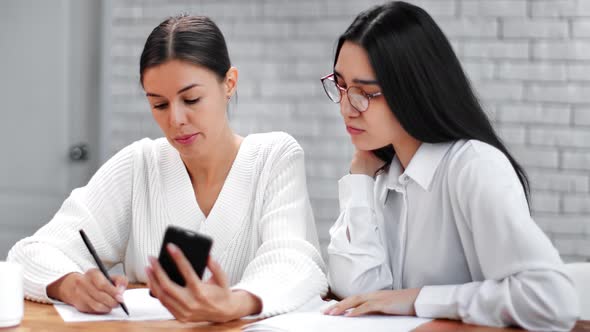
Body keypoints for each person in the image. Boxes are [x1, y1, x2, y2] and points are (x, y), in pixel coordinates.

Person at [8, 14, 327, 322]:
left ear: (229, 83)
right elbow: (30, 253)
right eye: (159, 104)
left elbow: (295, 262)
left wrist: (235, 302)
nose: (175, 119)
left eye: (191, 99)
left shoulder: (273, 158)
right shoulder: (138, 165)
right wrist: (70, 284)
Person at [320, 2, 579, 330]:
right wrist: (359, 182)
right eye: (341, 85)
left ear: (413, 89)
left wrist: (419, 298)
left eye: (364, 93)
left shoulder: (474, 167)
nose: (346, 107)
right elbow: (362, 295)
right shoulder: (383, 173)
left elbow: (552, 300)